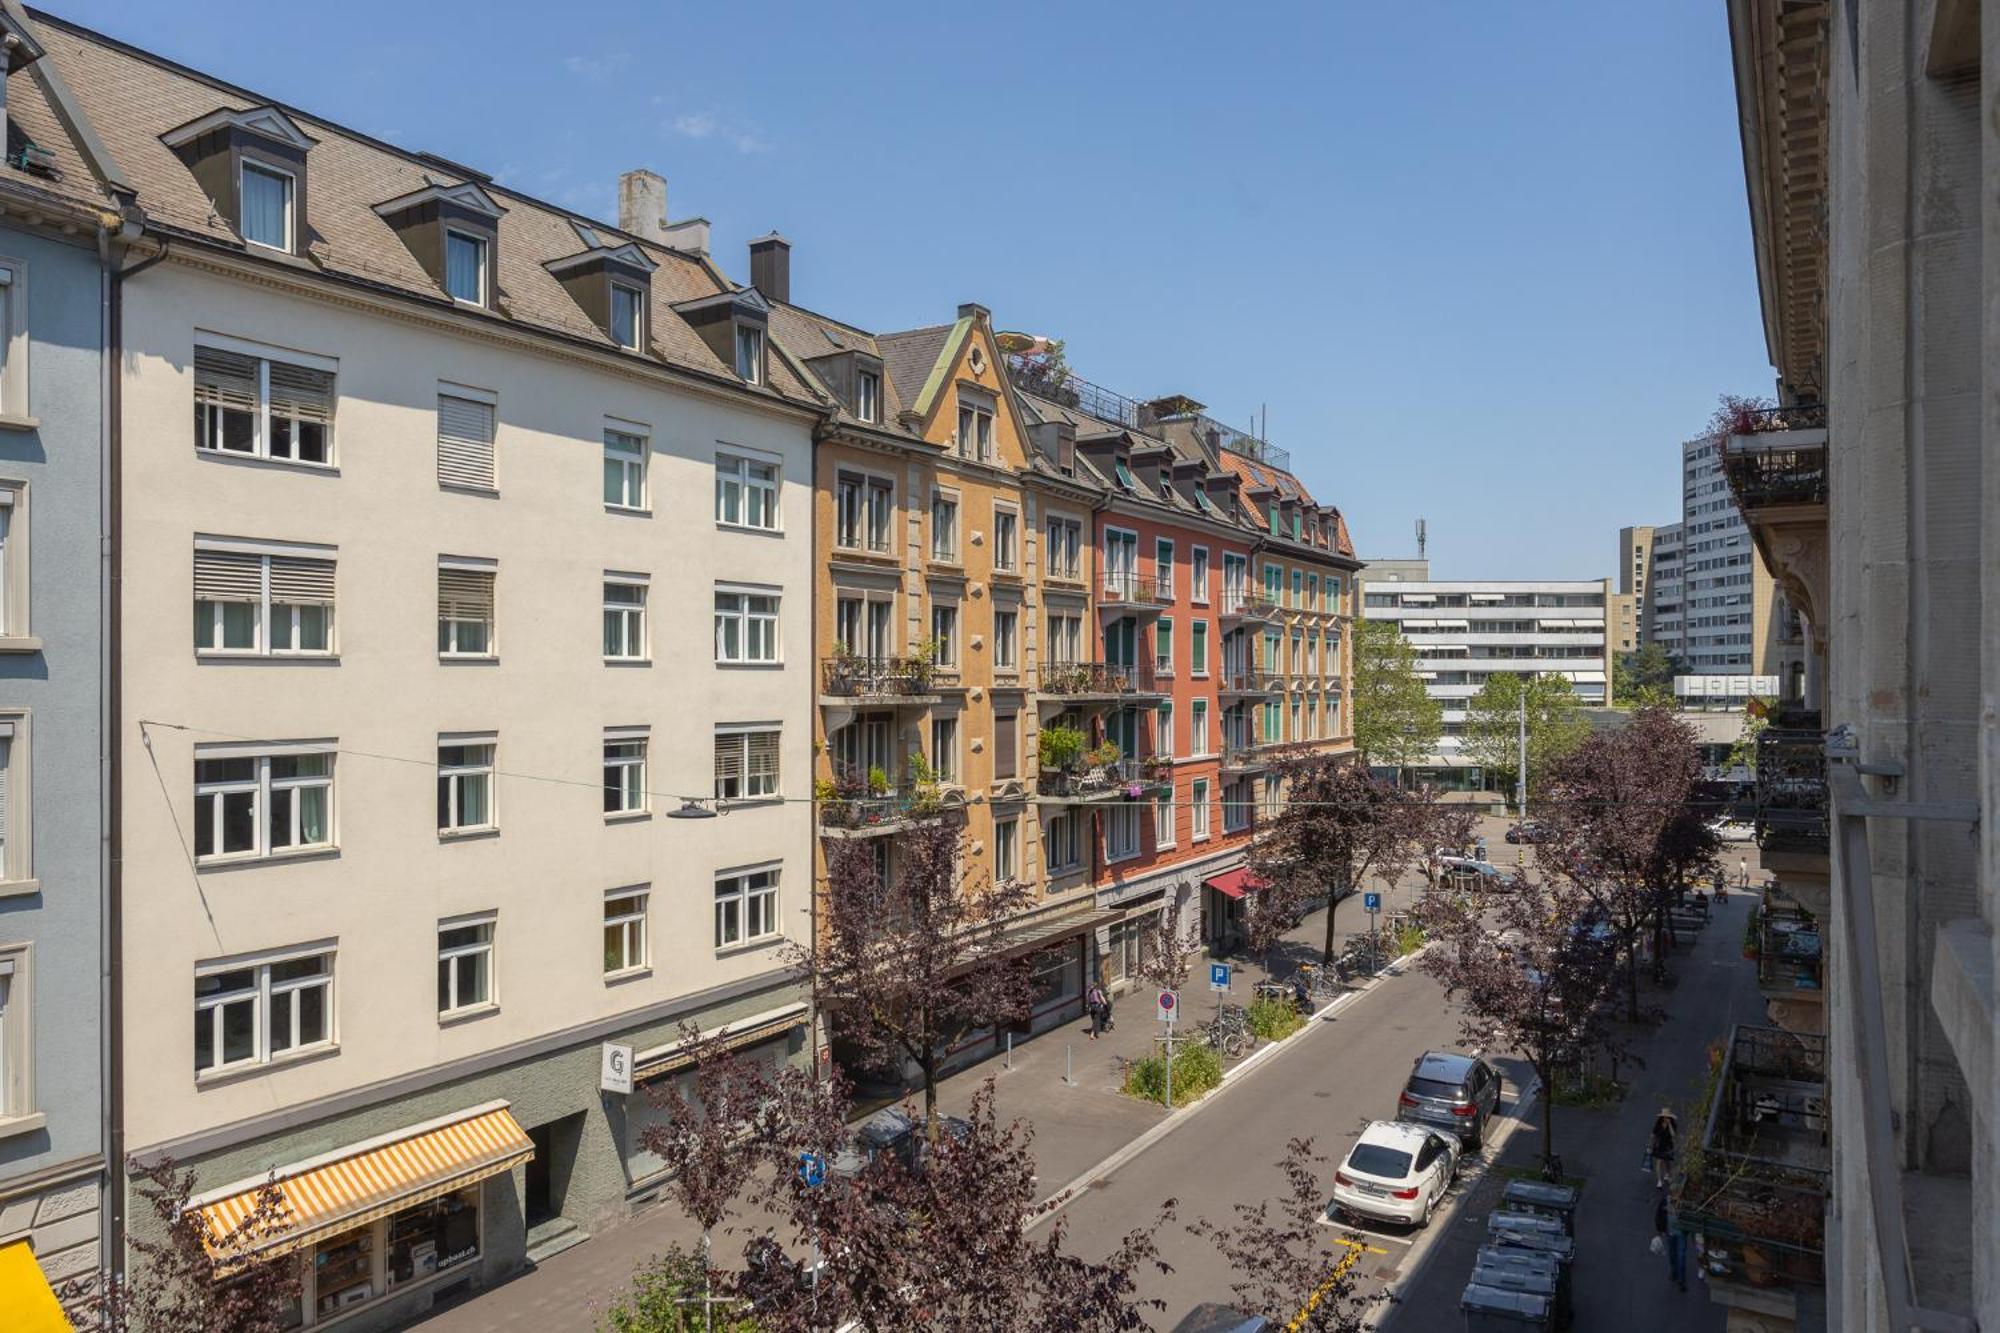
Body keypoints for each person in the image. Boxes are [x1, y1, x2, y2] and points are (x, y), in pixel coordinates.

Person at [1654, 1191, 1688, 1291]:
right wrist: (1660, 1231)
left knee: (1681, 1257)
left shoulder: (1684, 1204)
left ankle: (1681, 1280)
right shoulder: (1665, 1202)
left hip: (1681, 1234)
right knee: (1672, 1254)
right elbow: (1659, 1216)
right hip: (1670, 1233)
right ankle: (1674, 1272)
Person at [1649, 1107, 1679, 1188]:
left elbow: (1673, 1135)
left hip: (1668, 1145)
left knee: (1667, 1161)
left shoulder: (1672, 1124)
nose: (1666, 1118)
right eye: (1664, 1116)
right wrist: (1650, 1145)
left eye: (1667, 1117)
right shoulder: (1658, 1124)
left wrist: (1669, 1124)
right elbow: (1653, 1135)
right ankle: (1659, 1180)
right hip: (1659, 1145)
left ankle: (1667, 1174)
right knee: (1659, 1162)